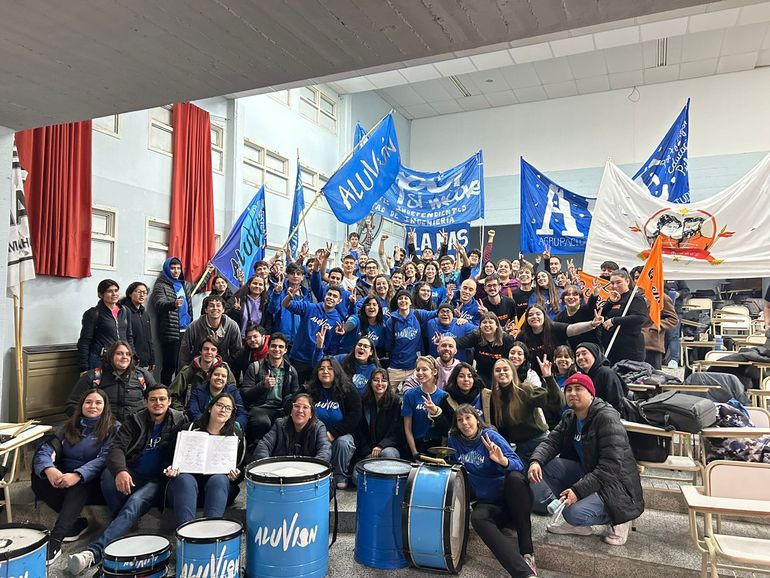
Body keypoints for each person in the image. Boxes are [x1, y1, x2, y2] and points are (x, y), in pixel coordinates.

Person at [67, 385, 186, 574]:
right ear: (146, 402)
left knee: (135, 502)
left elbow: (184, 450)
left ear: (169, 401)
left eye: (162, 399)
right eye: (153, 399)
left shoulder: (180, 420)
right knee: (108, 474)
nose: (158, 403)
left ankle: (92, 553)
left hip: (157, 479)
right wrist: (121, 470)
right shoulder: (135, 419)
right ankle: (122, 524)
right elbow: (116, 448)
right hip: (134, 473)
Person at [528, 373, 644, 546]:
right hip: (590, 473)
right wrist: (536, 461)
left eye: (578, 389)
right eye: (568, 390)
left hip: (617, 485)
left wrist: (578, 491)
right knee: (549, 466)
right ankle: (582, 524)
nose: (572, 393)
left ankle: (619, 518)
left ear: (591, 393)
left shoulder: (607, 418)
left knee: (572, 514)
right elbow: (551, 442)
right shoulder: (570, 417)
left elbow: (610, 468)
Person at [448, 405, 535, 578]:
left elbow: (518, 465)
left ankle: (528, 552)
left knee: (515, 478)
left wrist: (502, 461)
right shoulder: (454, 441)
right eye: (460, 420)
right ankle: (525, 574)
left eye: (468, 418)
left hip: (514, 500)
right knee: (477, 518)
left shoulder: (490, 436)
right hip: (490, 505)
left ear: (476, 419)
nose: (465, 423)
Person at [33, 389, 118, 564]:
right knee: (38, 477)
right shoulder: (67, 427)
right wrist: (50, 470)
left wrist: (78, 475)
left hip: (93, 481)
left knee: (78, 488)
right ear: (81, 405)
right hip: (63, 478)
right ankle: (75, 523)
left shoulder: (114, 428)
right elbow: (46, 450)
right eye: (88, 402)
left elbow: (105, 458)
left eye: (98, 403)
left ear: (105, 406)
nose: (92, 406)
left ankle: (55, 540)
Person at [481, 357, 563, 514]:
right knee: (515, 485)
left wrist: (548, 377)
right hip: (521, 450)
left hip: (540, 445)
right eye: (498, 370)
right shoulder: (494, 398)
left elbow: (557, 402)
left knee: (542, 504)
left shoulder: (526, 390)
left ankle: (564, 493)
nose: (502, 372)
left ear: (512, 372)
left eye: (505, 369)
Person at [165, 392, 246, 526]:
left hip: (217, 491)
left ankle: (210, 534)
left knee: (219, 479)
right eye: (219, 405)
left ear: (231, 413)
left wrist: (235, 475)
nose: (223, 410)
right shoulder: (188, 429)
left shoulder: (236, 436)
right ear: (210, 408)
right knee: (185, 479)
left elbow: (242, 469)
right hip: (185, 490)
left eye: (228, 408)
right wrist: (171, 469)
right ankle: (186, 534)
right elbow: (168, 459)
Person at [303, 357, 362, 489]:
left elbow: (355, 415)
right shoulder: (309, 390)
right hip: (315, 433)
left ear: (336, 371)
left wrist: (333, 433)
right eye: (321, 368)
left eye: (330, 368)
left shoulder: (348, 390)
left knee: (343, 443)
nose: (325, 371)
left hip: (340, 435)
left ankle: (339, 475)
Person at [67, 341, 155, 423]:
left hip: (136, 429)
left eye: (128, 354)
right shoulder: (93, 376)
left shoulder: (142, 375)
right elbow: (72, 405)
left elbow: (158, 399)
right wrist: (91, 422)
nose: (124, 357)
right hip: (103, 431)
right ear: (110, 356)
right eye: (119, 353)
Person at [240, 332, 299, 445]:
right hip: (259, 408)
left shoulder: (291, 371)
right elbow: (245, 395)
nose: (277, 349)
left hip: (281, 409)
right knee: (263, 422)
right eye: (273, 346)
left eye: (281, 347)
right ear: (268, 348)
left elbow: (295, 396)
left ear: (285, 350)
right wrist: (262, 386)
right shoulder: (255, 367)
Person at [282, 285, 344, 386]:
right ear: (325, 295)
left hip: (317, 362)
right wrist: (289, 297)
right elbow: (286, 304)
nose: (331, 298)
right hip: (298, 358)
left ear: (339, 301)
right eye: (329, 294)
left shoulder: (337, 321)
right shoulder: (310, 307)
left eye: (335, 296)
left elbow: (332, 347)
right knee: (293, 389)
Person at [519, 304, 603, 375]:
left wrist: (591, 324)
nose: (534, 317)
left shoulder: (554, 328)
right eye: (530, 315)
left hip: (561, 372)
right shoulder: (522, 336)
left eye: (538, 314)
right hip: (534, 376)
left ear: (544, 316)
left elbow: (573, 329)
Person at [352, 368, 403, 484]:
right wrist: (367, 452)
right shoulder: (363, 402)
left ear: (388, 383)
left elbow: (397, 432)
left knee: (387, 454)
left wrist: (381, 446)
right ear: (370, 382)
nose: (380, 384)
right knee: (356, 479)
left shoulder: (396, 403)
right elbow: (359, 432)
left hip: (388, 448)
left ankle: (384, 485)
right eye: (376, 380)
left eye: (383, 380)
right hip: (368, 452)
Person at [253, 392, 332, 461]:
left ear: (311, 414)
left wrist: (313, 468)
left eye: (305, 407)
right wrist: (267, 465)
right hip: (280, 473)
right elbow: (264, 445)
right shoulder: (279, 424)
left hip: (308, 473)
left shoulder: (318, 427)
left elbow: (325, 450)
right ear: (291, 411)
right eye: (297, 406)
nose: (300, 410)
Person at [151, 256, 193, 385]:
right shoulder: (161, 285)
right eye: (173, 268)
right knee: (169, 366)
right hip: (171, 332)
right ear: (167, 269)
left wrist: (208, 272)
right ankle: (164, 393)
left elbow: (199, 285)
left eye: (178, 268)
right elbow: (159, 303)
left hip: (187, 330)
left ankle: (178, 395)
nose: (176, 271)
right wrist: (173, 304)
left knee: (184, 366)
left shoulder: (185, 284)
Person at [385, 289, 438, 389]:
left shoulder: (418, 314)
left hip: (415, 368)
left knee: (415, 396)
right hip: (395, 367)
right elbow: (388, 344)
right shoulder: (391, 320)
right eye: (400, 298)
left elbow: (437, 312)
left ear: (410, 302)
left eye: (406, 298)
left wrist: (449, 303)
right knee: (387, 396)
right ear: (397, 302)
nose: (403, 300)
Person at [77, 279, 133, 372]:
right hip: (101, 359)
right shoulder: (93, 313)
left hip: (122, 359)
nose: (114, 294)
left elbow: (129, 336)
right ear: (101, 294)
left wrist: (132, 355)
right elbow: (85, 341)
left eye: (116, 290)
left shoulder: (125, 311)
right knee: (101, 386)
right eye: (110, 291)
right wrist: (83, 367)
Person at [169, 336, 235, 412]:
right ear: (200, 351)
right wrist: (183, 412)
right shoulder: (188, 371)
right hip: (192, 413)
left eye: (213, 350)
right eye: (206, 349)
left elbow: (233, 390)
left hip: (218, 413)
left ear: (217, 353)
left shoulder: (224, 368)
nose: (209, 352)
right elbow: (171, 395)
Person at [630, 266, 678, 370]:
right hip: (632, 342)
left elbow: (673, 319)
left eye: (642, 277)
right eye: (636, 277)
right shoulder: (630, 298)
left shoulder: (661, 297)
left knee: (654, 377)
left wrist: (655, 326)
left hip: (651, 343)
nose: (639, 280)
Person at [179, 294, 242, 369]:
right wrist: (185, 372)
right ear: (206, 309)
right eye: (211, 306)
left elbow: (236, 353)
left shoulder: (232, 326)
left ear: (223, 309)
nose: (215, 308)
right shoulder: (194, 326)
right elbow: (184, 352)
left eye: (218, 306)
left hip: (222, 369)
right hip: (198, 368)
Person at [402, 356, 448, 457]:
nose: (420, 372)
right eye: (418, 370)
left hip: (436, 446)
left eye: (424, 369)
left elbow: (446, 428)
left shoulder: (444, 396)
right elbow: (407, 428)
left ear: (434, 372)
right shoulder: (409, 395)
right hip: (416, 444)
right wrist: (415, 453)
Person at [600, 269, 648, 365]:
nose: (615, 286)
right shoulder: (613, 298)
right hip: (611, 345)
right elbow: (601, 314)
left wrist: (614, 321)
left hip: (630, 347)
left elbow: (640, 317)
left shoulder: (635, 298)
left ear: (627, 281)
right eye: (612, 283)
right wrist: (610, 302)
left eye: (618, 282)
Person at [454, 312, 515, 387]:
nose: (487, 325)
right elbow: (460, 342)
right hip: (483, 375)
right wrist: (444, 340)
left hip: (502, 374)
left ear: (496, 326)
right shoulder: (476, 337)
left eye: (490, 322)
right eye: (484, 322)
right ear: (480, 326)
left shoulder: (506, 339)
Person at [186, 365, 247, 430]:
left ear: (227, 380)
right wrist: (209, 424)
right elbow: (192, 411)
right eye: (216, 374)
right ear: (210, 376)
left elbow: (241, 413)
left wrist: (234, 426)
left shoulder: (233, 392)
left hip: (227, 429)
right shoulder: (198, 391)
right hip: (202, 426)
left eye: (223, 376)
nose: (219, 378)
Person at [433, 362, 484, 437]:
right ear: (455, 378)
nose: (466, 379)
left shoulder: (484, 396)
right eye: (461, 376)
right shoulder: (447, 399)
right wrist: (436, 413)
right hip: (458, 442)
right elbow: (445, 430)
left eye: (469, 376)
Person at [574, 342, 626, 413]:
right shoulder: (582, 377)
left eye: (584, 353)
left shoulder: (607, 373)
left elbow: (617, 404)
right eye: (577, 355)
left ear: (594, 354)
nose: (580, 357)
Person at [554, 285, 601, 351]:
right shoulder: (558, 318)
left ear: (580, 298)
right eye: (567, 295)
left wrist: (595, 294)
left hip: (591, 351)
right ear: (563, 299)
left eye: (574, 295)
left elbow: (591, 304)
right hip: (571, 354)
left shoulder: (587, 310)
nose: (571, 297)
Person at [121, 282, 155, 371]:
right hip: (130, 360)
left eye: (145, 292)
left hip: (145, 361)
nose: (142, 295)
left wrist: (152, 360)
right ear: (130, 293)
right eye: (139, 292)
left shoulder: (145, 314)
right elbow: (125, 338)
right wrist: (133, 356)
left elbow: (149, 339)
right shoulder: (124, 312)